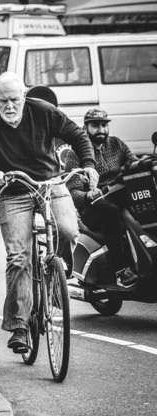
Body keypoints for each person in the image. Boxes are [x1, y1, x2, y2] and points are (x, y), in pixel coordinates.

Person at [0, 72, 98, 354]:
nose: (9, 106)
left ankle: (56, 281)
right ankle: (19, 326)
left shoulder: (43, 111)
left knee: (68, 230)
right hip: (13, 192)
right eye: (3, 101)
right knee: (19, 257)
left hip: (50, 184)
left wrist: (88, 164)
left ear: (24, 97)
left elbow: (78, 135)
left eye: (14, 99)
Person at [65, 108, 138, 288]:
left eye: (104, 125)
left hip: (118, 195)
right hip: (92, 208)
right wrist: (89, 194)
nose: (101, 130)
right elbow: (72, 191)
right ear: (85, 127)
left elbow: (133, 165)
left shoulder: (117, 145)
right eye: (95, 125)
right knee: (111, 212)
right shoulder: (76, 153)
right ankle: (121, 270)